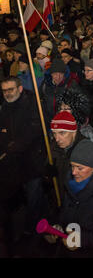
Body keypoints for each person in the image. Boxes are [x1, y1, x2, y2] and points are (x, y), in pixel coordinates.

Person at [0, 77, 46, 238]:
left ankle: (34, 228)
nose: (7, 93)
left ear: (19, 89)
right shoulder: (5, 107)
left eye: (10, 89)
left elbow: (35, 129)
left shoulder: (33, 104)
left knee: (34, 194)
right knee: (20, 194)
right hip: (13, 161)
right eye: (4, 90)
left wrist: (16, 144)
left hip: (32, 159)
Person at [49, 111, 86, 202]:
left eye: (62, 133)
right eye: (54, 133)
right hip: (60, 199)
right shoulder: (54, 146)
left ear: (73, 132)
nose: (57, 139)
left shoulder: (86, 150)